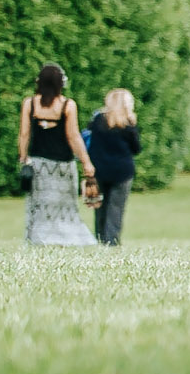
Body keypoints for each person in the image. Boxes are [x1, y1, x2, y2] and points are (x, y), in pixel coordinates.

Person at [18, 63, 98, 247]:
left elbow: (24, 133)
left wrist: (23, 157)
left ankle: (39, 238)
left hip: (38, 163)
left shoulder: (30, 104)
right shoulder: (67, 105)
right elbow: (73, 136)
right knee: (65, 206)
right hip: (63, 164)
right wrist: (86, 162)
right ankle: (67, 237)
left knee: (39, 205)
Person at [87, 88, 141, 246]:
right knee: (116, 208)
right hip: (122, 172)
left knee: (100, 208)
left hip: (100, 170)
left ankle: (100, 239)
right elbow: (136, 149)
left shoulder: (98, 121)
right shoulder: (128, 125)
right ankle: (112, 241)